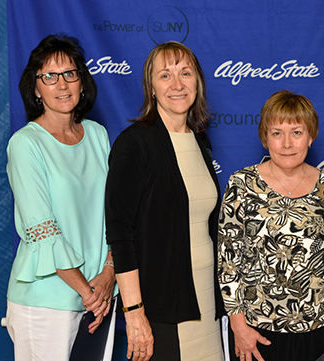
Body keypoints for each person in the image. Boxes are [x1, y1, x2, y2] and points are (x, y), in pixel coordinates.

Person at [105, 41, 225, 361]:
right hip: (161, 307)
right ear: (151, 87)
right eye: (165, 75)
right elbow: (120, 234)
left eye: (185, 73)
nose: (177, 84)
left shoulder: (199, 139)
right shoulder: (135, 144)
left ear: (197, 81)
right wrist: (134, 313)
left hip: (206, 302)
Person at [5, 34, 116, 360]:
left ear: (82, 82)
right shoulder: (26, 144)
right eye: (49, 77)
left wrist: (108, 276)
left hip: (101, 295)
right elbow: (43, 229)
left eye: (70, 73)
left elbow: (115, 213)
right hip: (47, 302)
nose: (62, 84)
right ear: (36, 88)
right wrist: (88, 293)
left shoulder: (98, 135)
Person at [217, 90, 324, 361]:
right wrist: (238, 325)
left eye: (297, 133)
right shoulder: (241, 185)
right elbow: (228, 261)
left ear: (311, 136)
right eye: (277, 133)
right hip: (256, 330)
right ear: (265, 139)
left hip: (318, 329)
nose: (287, 143)